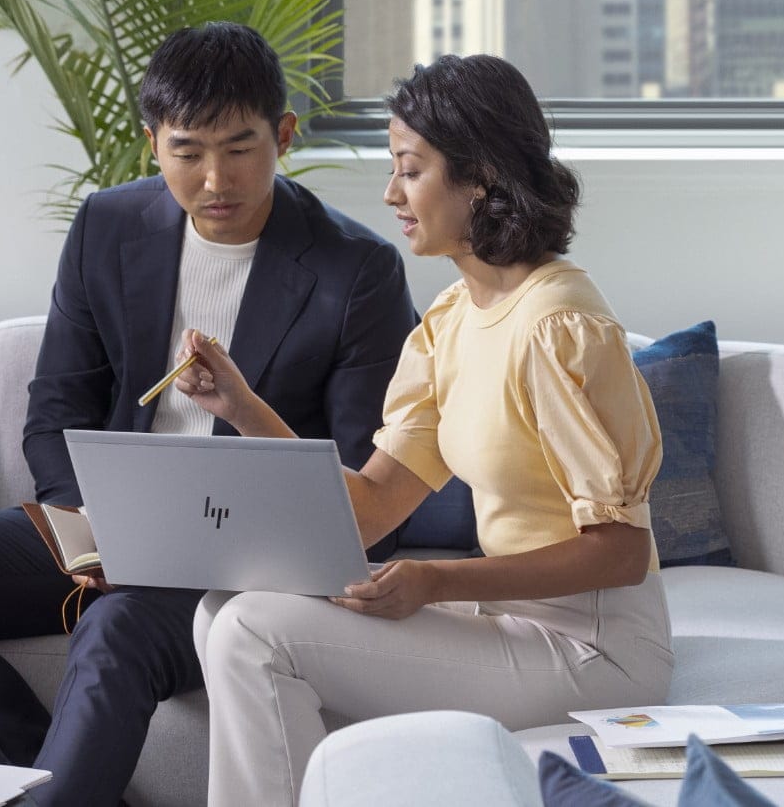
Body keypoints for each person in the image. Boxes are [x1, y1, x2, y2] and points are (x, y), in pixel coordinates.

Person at [0, 23, 428, 806]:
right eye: (187, 152)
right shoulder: (109, 226)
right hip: (109, 531)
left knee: (116, 632)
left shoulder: (354, 271)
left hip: (252, 562)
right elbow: (55, 408)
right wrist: (90, 528)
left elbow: (361, 483)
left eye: (240, 148)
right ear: (152, 143)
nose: (215, 178)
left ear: (282, 135)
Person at [181, 54, 671, 805]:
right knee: (220, 611)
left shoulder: (558, 327)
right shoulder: (451, 320)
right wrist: (242, 405)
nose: (390, 194)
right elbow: (370, 506)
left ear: (480, 178)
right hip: (509, 621)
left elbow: (621, 552)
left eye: (409, 170)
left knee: (252, 632)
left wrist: (437, 581)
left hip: (593, 648)